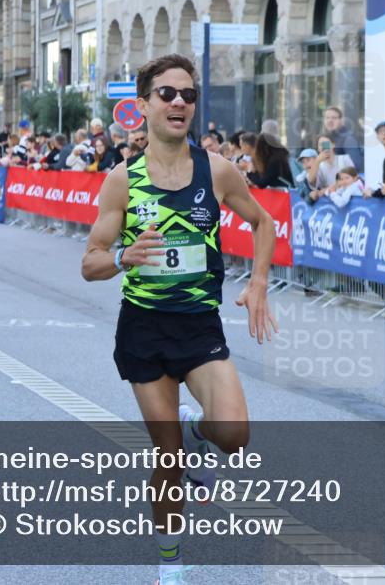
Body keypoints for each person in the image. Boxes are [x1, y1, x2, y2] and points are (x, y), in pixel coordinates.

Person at [81, 54, 277, 585]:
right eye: (167, 94)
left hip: (198, 324)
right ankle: (170, 564)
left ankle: (198, 427)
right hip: (144, 329)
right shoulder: (122, 181)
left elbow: (264, 224)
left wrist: (258, 283)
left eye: (188, 95)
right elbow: (90, 263)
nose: (179, 103)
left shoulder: (216, 170)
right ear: (143, 104)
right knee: (165, 455)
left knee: (234, 433)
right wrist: (124, 257)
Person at [305, 134, 353, 201]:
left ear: (333, 145)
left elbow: (353, 180)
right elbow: (311, 181)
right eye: (321, 144)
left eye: (326, 143)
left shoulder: (345, 159)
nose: (324, 147)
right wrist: (317, 161)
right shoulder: (318, 166)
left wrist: (327, 189)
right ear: (318, 148)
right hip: (329, 203)